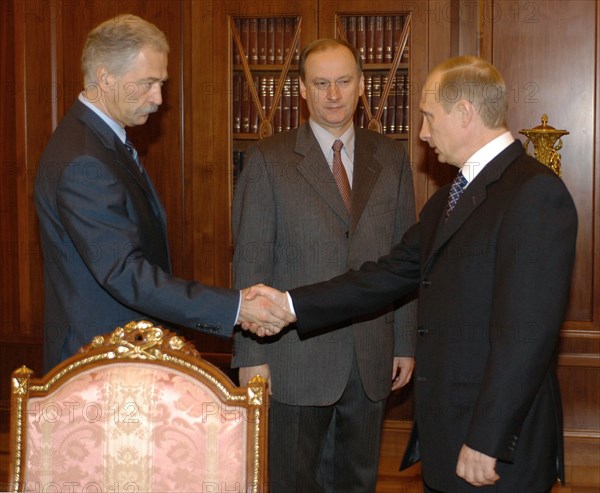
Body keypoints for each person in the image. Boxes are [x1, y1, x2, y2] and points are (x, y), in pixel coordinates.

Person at [244, 55, 578, 492]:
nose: (421, 133)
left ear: (464, 113)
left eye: (427, 117)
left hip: (494, 446)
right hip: (449, 436)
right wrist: (289, 305)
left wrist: (488, 438)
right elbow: (385, 276)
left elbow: (527, 335)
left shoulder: (533, 194)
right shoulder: (449, 200)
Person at [34, 14, 294, 373]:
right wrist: (235, 308)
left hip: (124, 354)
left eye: (161, 83)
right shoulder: (83, 159)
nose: (158, 98)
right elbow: (126, 274)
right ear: (107, 79)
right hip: (100, 363)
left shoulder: (97, 139)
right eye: (148, 83)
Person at [232, 38, 417, 492]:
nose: (332, 94)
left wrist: (405, 341)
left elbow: (406, 258)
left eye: (343, 81)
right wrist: (251, 356)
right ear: (302, 90)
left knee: (358, 482)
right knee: (293, 483)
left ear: (361, 87)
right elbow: (250, 261)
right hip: (293, 359)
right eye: (320, 83)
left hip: (371, 354)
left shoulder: (390, 157)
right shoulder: (267, 160)